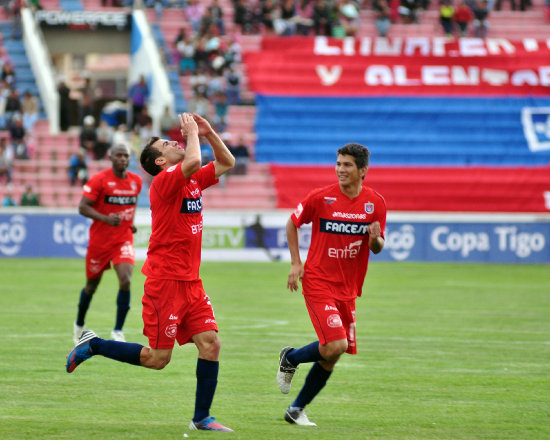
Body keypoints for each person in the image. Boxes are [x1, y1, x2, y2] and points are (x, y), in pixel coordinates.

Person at [65, 113, 235, 432]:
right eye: (167, 144)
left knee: (211, 343)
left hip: (191, 283)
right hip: (165, 283)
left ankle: (202, 418)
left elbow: (227, 163)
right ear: (160, 161)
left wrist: (209, 131)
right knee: (158, 359)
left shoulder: (193, 178)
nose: (175, 142)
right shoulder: (165, 181)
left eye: (174, 139)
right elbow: (194, 158)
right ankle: (94, 345)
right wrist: (191, 134)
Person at [277, 143, 386, 426]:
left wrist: (374, 238)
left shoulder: (375, 203)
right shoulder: (321, 198)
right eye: (338, 163)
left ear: (363, 170)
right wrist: (295, 263)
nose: (340, 169)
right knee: (336, 344)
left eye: (347, 165)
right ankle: (291, 359)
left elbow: (377, 247)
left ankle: (296, 407)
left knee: (331, 354)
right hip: (318, 281)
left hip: (348, 289)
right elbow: (292, 223)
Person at [71, 143, 142, 344]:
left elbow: (130, 205)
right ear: (110, 157)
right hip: (100, 243)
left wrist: (131, 223)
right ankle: (79, 324)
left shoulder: (136, 181)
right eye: (119, 155)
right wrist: (105, 218)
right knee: (91, 286)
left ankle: (118, 331)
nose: (123, 159)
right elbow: (82, 207)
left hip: (123, 239)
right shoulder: (99, 180)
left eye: (126, 156)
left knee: (126, 280)